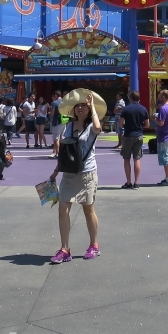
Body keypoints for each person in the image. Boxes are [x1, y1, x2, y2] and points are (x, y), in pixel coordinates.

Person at [49, 90, 104, 263]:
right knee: (62, 209)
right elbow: (66, 151)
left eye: (84, 106)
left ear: (89, 109)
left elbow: (97, 128)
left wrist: (93, 105)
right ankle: (64, 249)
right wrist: (56, 171)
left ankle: (94, 245)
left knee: (88, 210)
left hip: (87, 173)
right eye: (77, 106)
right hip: (69, 174)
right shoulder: (69, 126)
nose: (80, 108)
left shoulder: (91, 125)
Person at [120, 90, 149, 189]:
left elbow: (120, 123)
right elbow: (147, 124)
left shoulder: (126, 109)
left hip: (128, 135)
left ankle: (128, 182)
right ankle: (136, 182)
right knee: (137, 158)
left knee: (126, 158)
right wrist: (139, 126)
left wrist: (126, 126)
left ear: (131, 98)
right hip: (139, 135)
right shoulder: (143, 109)